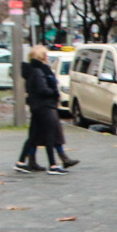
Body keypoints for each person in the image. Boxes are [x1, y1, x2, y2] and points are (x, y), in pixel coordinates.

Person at [16, 46, 79, 175]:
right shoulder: (39, 71)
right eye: (46, 55)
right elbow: (42, 89)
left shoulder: (33, 70)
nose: (48, 58)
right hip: (45, 106)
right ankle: (53, 165)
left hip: (37, 106)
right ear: (41, 57)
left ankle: (22, 162)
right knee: (50, 134)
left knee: (33, 136)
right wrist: (54, 93)